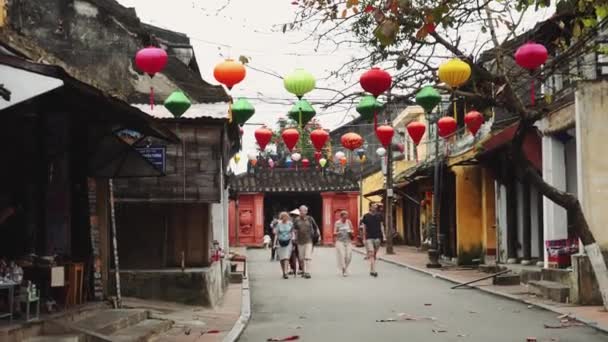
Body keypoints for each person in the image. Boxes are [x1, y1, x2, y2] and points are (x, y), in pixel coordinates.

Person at [293, 205, 320, 279]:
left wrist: (318, 236)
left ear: (306, 211)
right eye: (301, 210)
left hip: (309, 240)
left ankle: (307, 272)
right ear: (299, 211)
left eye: (304, 211)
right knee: (301, 258)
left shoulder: (310, 219)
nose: (303, 212)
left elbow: (316, 227)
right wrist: (294, 238)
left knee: (307, 257)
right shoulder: (296, 220)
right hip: (299, 241)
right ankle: (303, 271)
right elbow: (294, 230)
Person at [361, 203, 385, 277]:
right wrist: (364, 238)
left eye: (376, 206)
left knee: (374, 254)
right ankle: (374, 270)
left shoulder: (379, 215)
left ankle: (371, 269)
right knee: (371, 253)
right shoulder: (366, 216)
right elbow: (364, 228)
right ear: (370, 207)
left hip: (377, 237)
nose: (375, 207)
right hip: (369, 237)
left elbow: (381, 226)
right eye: (374, 206)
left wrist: (384, 236)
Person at [273, 212, 294, 279]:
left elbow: (292, 232)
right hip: (280, 242)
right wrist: (274, 244)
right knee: (282, 258)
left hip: (288, 242)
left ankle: (285, 272)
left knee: (286, 258)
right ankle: (283, 271)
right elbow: (276, 234)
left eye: (286, 217)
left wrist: (293, 240)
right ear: (281, 218)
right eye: (283, 217)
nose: (285, 218)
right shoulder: (278, 225)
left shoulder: (290, 224)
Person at [334, 210, 353, 277]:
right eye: (344, 217)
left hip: (348, 241)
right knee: (342, 255)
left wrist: (350, 232)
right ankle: (344, 270)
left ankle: (345, 267)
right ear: (341, 216)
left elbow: (352, 231)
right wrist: (339, 232)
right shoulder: (337, 223)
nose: (346, 218)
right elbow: (334, 233)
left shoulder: (349, 222)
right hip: (340, 241)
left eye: (346, 216)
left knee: (349, 256)